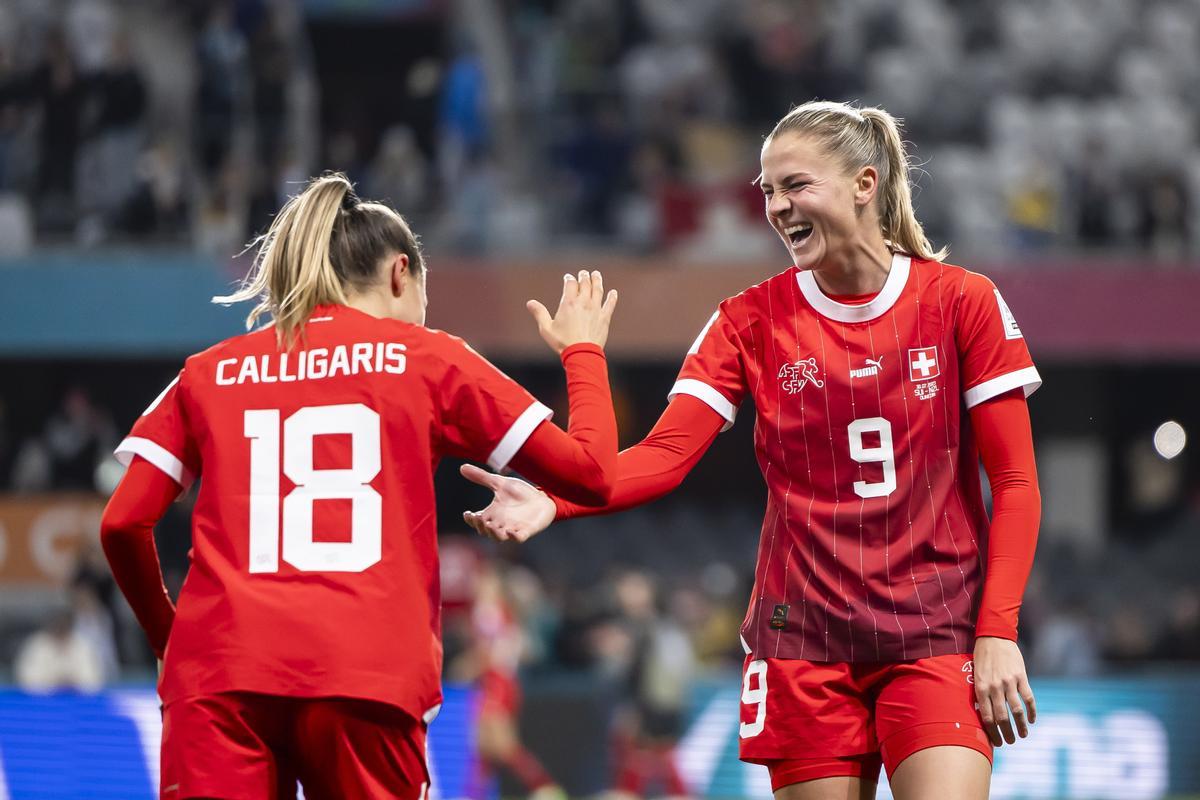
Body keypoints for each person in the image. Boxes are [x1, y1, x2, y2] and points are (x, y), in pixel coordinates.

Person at [462, 101, 1042, 800]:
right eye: (767, 191)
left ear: (864, 183)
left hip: (936, 633)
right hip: (802, 646)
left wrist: (998, 631)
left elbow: (1015, 482)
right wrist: (555, 499)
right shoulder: (747, 321)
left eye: (796, 185)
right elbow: (662, 457)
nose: (776, 207)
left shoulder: (962, 302)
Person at [99, 172, 620, 800]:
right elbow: (592, 474)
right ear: (401, 273)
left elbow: (122, 523)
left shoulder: (206, 372)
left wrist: (168, 638)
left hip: (218, 674)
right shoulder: (429, 358)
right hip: (367, 675)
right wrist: (583, 351)